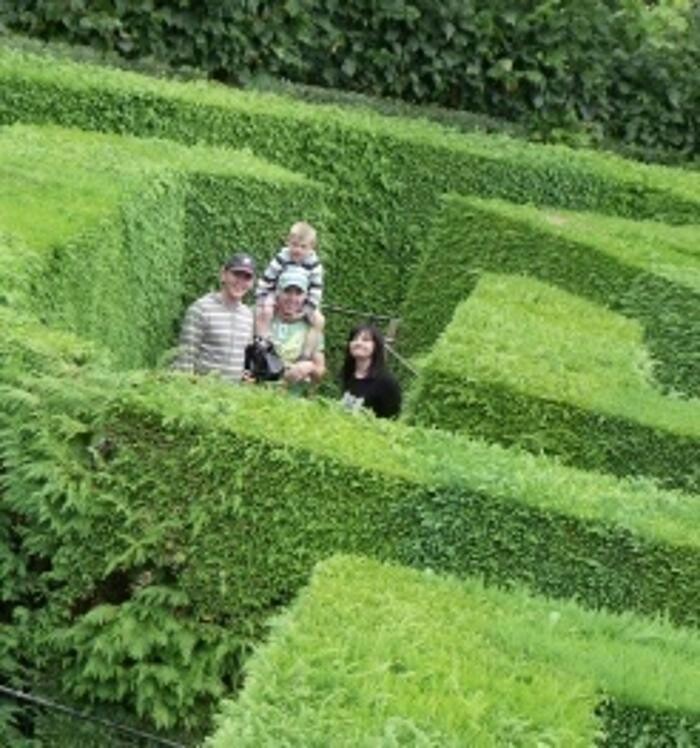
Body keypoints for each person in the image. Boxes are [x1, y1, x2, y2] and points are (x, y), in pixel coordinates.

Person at [173, 253, 256, 383]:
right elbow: (185, 359)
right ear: (223, 274)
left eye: (247, 277)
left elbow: (244, 360)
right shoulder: (201, 309)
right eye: (236, 274)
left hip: (233, 398)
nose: (240, 281)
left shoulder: (248, 315)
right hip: (203, 396)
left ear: (252, 283)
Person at [255, 221, 324, 358]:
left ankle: (306, 354)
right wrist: (263, 298)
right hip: (276, 292)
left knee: (319, 320)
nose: (297, 250)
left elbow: (316, 289)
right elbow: (267, 278)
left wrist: (305, 311)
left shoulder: (315, 264)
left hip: (303, 298)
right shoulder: (282, 257)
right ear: (288, 242)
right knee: (265, 311)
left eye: (303, 247)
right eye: (294, 245)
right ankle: (263, 341)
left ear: (311, 247)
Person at [269, 266, 326, 389]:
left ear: (305, 296)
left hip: (293, 399)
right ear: (278, 292)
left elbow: (320, 372)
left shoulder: (312, 326)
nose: (292, 298)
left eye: (298, 293)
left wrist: (309, 367)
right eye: (287, 291)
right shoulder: (264, 317)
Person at [340, 324, 401, 419]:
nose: (358, 343)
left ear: (376, 346)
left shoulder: (386, 382)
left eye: (365, 340)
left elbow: (391, 420)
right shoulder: (348, 374)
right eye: (354, 339)